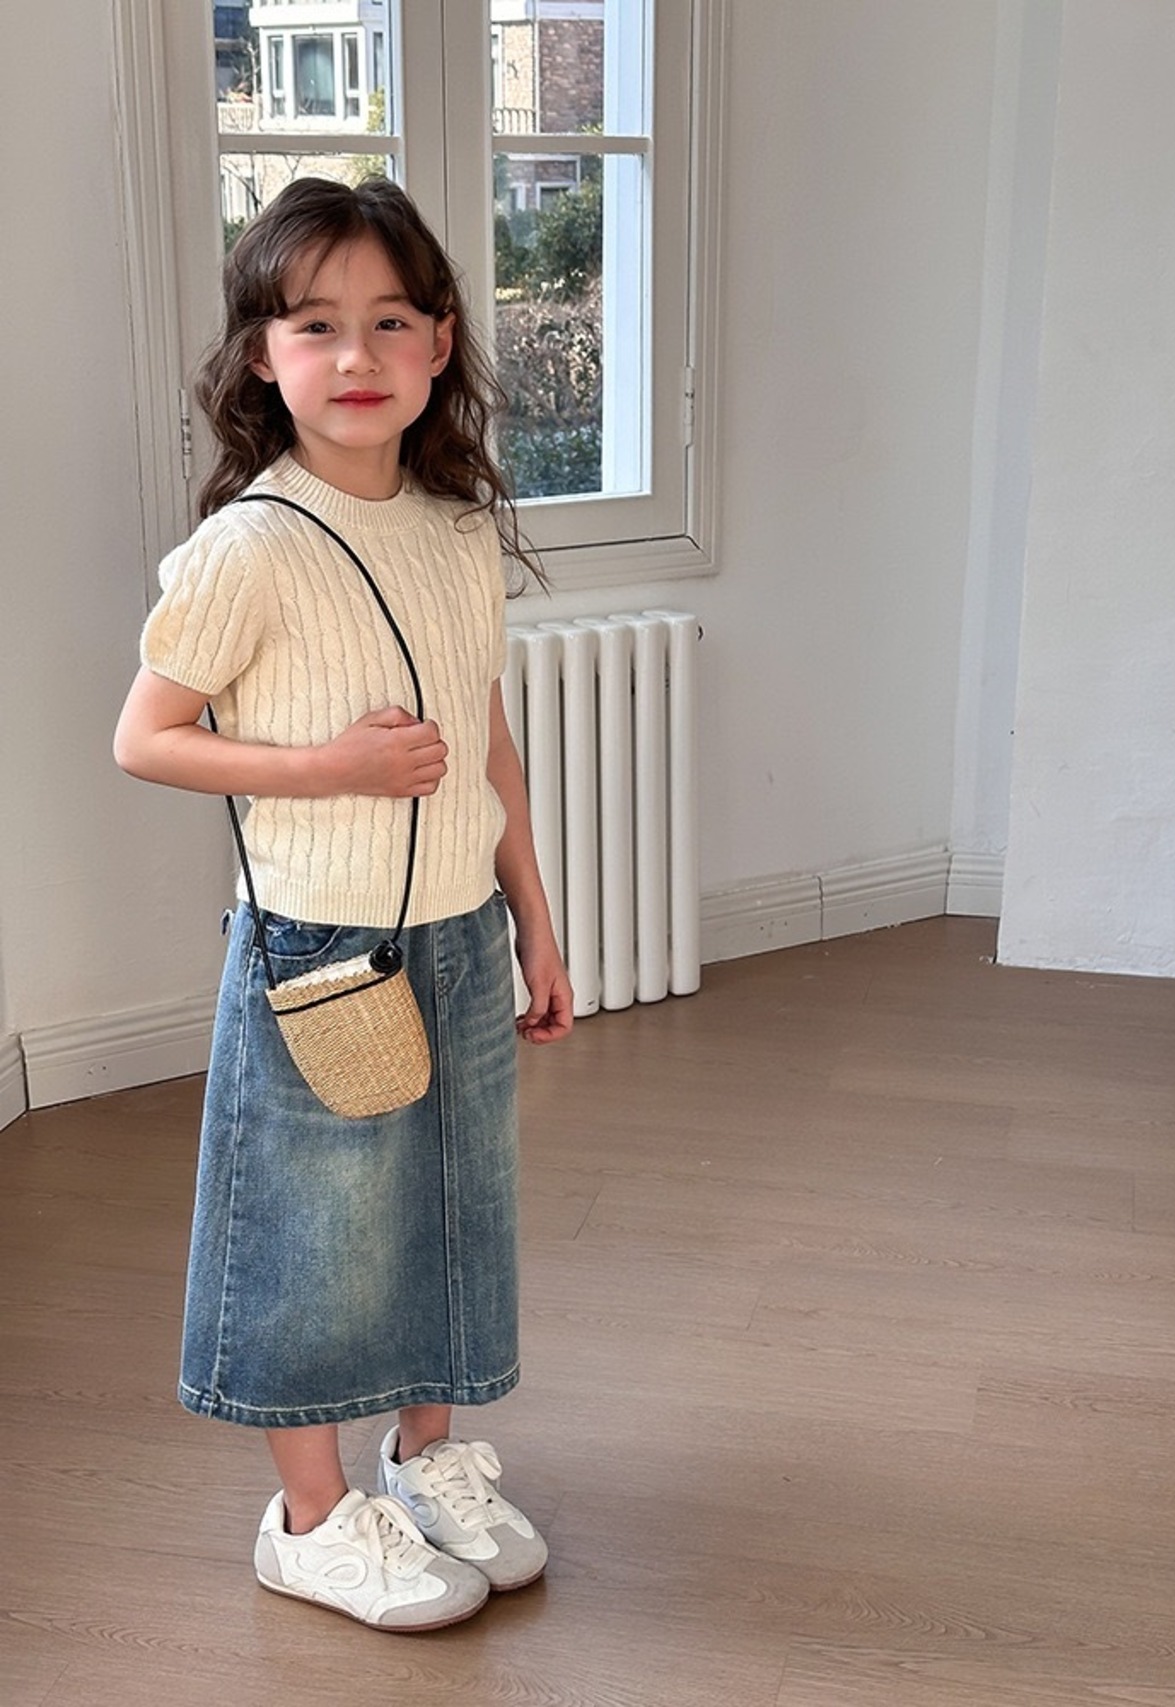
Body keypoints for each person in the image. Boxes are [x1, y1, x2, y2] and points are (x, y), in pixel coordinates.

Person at [114, 176, 573, 1634]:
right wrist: (329, 767)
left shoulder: (454, 527)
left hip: (457, 932)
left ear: (439, 342)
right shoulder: (248, 546)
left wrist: (534, 917)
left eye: (389, 321)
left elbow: (482, 733)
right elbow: (145, 737)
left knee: (448, 1213)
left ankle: (425, 1464)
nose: (356, 355)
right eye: (315, 325)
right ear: (263, 356)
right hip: (321, 949)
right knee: (317, 1238)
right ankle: (310, 1519)